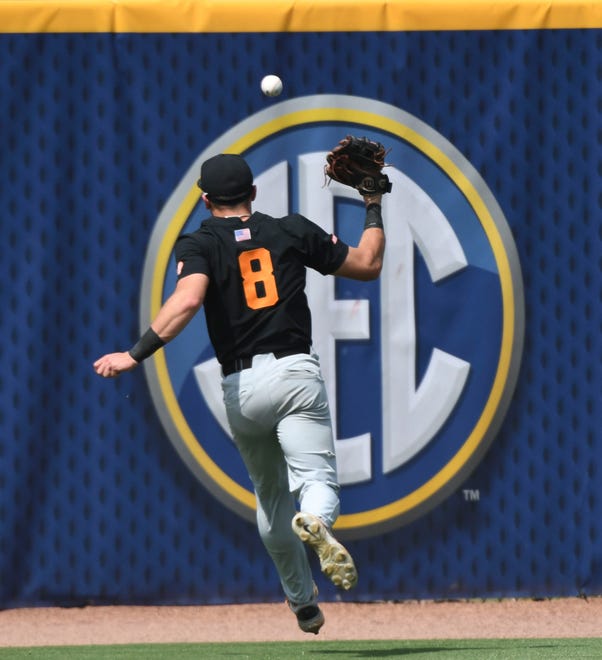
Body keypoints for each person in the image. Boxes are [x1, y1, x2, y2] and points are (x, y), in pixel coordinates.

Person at [93, 153, 386, 634]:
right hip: (294, 372)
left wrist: (135, 354)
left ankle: (302, 603)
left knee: (270, 499)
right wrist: (372, 202)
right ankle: (314, 519)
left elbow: (188, 299)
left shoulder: (201, 241)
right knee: (316, 481)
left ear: (206, 201)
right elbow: (368, 264)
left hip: (242, 387)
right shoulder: (291, 229)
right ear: (253, 193)